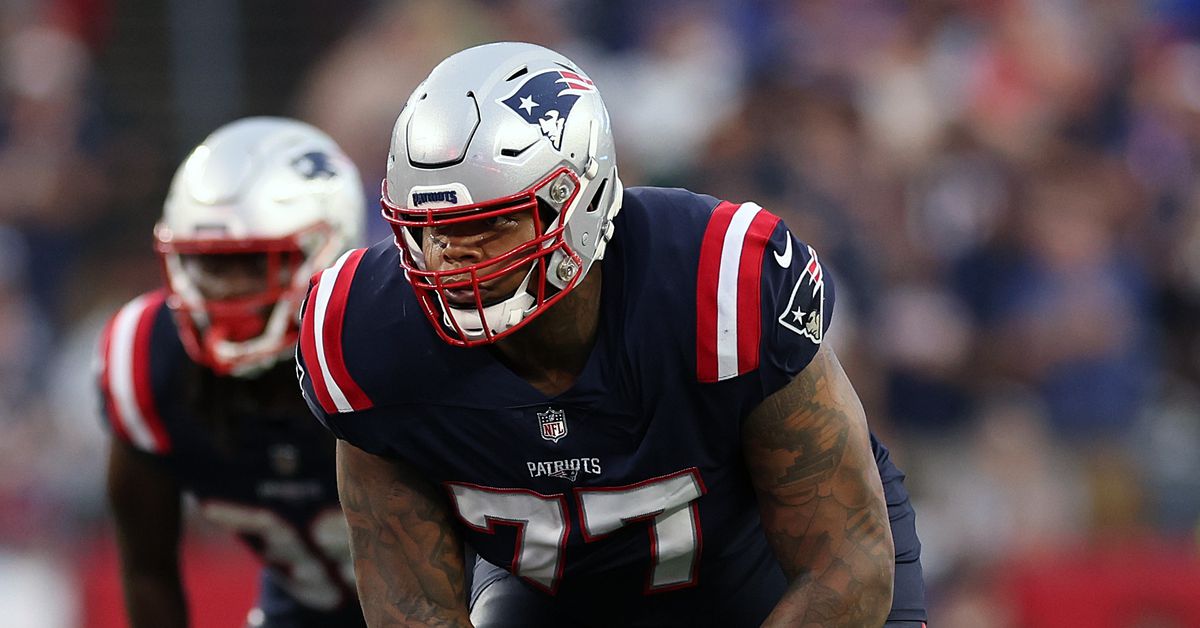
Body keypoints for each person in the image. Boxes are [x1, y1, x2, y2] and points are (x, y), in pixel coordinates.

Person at [298, 42, 926, 627]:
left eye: (490, 225)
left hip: (771, 581)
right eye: (431, 229)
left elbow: (847, 564)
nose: (452, 259)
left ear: (580, 201)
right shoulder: (366, 337)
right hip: (551, 595)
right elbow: (411, 609)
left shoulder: (716, 283)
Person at [99, 117, 368, 628]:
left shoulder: (390, 348)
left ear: (330, 252)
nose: (227, 291)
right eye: (212, 265)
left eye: (257, 263)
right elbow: (147, 571)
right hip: (304, 612)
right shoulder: (148, 360)